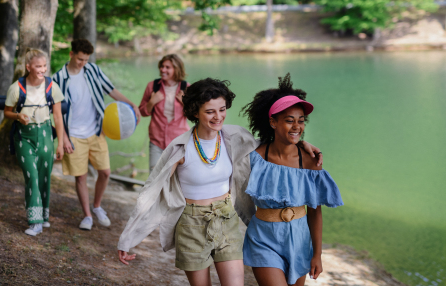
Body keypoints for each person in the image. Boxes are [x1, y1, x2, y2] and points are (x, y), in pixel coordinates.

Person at [117, 78, 323, 286]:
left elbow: (271, 147)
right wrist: (128, 239)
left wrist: (301, 143)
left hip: (226, 219)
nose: (218, 117)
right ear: (195, 112)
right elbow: (151, 192)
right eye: (210, 112)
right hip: (191, 223)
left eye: (222, 109)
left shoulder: (234, 137)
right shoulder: (180, 148)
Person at [240, 74, 343, 286]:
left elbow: (314, 212)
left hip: (299, 240)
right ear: (273, 122)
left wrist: (317, 254)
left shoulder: (310, 162)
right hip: (263, 239)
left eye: (301, 120)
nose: (297, 126)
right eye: (289, 120)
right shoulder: (255, 157)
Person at [52, 39, 141, 231]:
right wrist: (64, 138)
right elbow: (56, 113)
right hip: (73, 135)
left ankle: (97, 206)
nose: (83, 63)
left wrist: (132, 105)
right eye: (80, 59)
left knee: (105, 172)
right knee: (81, 177)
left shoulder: (92, 70)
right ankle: (87, 216)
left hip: (96, 131)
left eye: (86, 59)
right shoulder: (58, 79)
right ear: (71, 54)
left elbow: (111, 91)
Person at [3, 49, 66, 236]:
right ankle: (35, 221)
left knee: (44, 176)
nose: (43, 69)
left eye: (45, 66)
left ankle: (44, 216)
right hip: (24, 137)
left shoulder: (52, 87)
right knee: (32, 175)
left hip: (46, 134)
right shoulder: (16, 88)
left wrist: (61, 143)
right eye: (38, 66)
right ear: (28, 67)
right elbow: (7, 112)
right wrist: (17, 116)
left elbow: (58, 117)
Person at [138, 54, 190, 172]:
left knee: (178, 180)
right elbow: (142, 111)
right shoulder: (153, 86)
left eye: (167, 67)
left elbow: (194, 115)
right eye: (162, 66)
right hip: (157, 141)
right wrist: (152, 102)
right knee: (154, 179)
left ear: (176, 69)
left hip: (179, 142)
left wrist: (184, 103)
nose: (163, 70)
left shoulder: (187, 88)